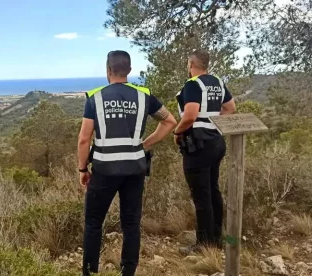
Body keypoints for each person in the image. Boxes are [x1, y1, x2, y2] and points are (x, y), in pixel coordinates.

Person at [78, 50, 176, 276]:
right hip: (134, 169)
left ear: (108, 70)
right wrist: (144, 144)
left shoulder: (95, 97)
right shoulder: (144, 96)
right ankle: (128, 271)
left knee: (94, 223)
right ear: (129, 71)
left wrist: (83, 169)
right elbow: (170, 121)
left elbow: (84, 139)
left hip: (103, 170)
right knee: (131, 224)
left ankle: (90, 271)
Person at [173, 49, 236, 254]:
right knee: (212, 190)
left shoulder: (192, 84)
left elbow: (190, 115)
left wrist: (177, 131)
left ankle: (203, 244)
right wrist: (215, 125)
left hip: (197, 145)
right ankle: (216, 237)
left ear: (191, 64)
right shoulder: (217, 81)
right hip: (216, 142)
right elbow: (230, 108)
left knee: (201, 195)